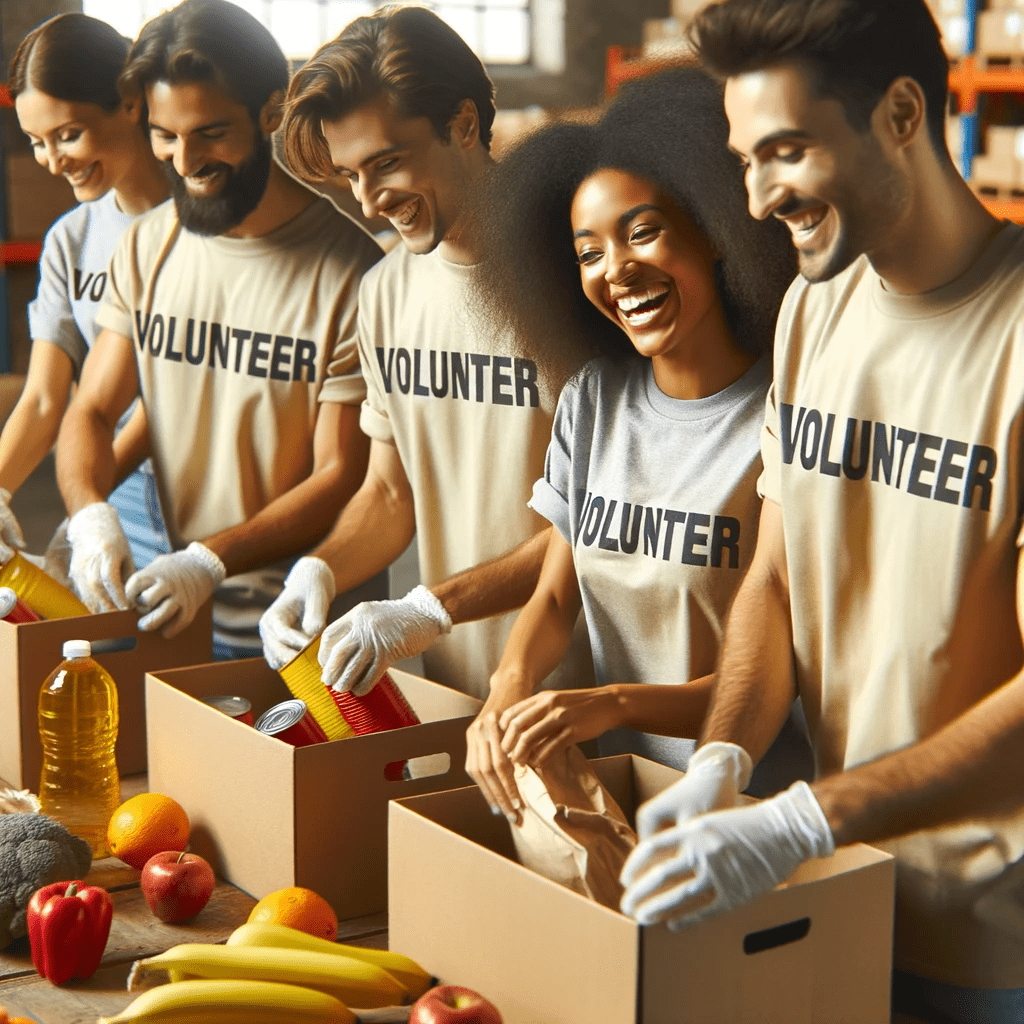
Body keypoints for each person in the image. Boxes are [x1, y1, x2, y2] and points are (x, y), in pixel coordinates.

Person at [617, 2, 1024, 1020]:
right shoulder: (814, 308)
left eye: (786, 151)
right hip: (833, 892)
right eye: (745, 158)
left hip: (987, 941)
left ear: (897, 113)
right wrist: (724, 756)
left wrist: (801, 818)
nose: (755, 199)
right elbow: (777, 574)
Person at [464, 68, 809, 821]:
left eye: (642, 232)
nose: (616, 269)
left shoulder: (785, 413)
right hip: (619, 795)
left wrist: (609, 703)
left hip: (743, 807)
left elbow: (774, 672)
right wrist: (509, 686)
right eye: (588, 252)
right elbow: (556, 592)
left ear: (717, 232)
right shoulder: (593, 400)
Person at [259, 6, 593, 712]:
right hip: (447, 690)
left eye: (386, 163)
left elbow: (601, 519)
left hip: (578, 695)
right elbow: (388, 495)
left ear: (464, 124)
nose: (371, 201)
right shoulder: (384, 292)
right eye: (350, 175)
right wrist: (318, 568)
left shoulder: (582, 277)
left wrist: (428, 607)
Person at [56, 0, 384, 657]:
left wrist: (207, 560)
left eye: (210, 133)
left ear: (271, 112)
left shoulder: (354, 276)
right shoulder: (147, 248)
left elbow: (340, 474)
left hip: (302, 633)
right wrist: (91, 514)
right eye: (164, 135)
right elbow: (93, 408)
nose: (184, 162)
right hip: (172, 616)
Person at [6, 13, 171, 573]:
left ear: (130, 100)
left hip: (209, 500)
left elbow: (175, 401)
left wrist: (85, 506)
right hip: (112, 492)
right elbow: (45, 399)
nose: (54, 161)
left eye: (67, 134)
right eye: (37, 142)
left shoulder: (208, 228)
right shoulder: (70, 240)